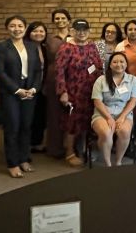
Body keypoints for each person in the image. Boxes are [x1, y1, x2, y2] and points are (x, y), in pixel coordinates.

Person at [0, 15, 42, 178]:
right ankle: (12, 163)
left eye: (20, 26)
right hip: (10, 94)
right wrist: (17, 90)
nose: (17, 29)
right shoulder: (1, 47)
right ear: (7, 29)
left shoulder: (32, 46)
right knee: (12, 127)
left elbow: (37, 70)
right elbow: (0, 72)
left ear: (25, 28)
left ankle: (24, 158)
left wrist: (34, 88)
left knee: (26, 126)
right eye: (12, 26)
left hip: (30, 93)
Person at [56, 19, 103, 167]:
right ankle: (69, 152)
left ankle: (82, 150)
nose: (81, 33)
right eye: (78, 30)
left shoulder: (92, 46)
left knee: (85, 121)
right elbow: (59, 71)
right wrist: (62, 92)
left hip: (90, 92)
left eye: (84, 30)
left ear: (89, 31)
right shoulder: (66, 48)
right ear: (72, 31)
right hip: (72, 92)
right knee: (72, 123)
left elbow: (98, 67)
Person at [91, 52, 136, 166]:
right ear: (110, 65)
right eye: (115, 62)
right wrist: (108, 118)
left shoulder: (132, 80)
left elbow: (133, 101)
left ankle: (118, 162)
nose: (118, 64)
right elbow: (97, 101)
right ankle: (108, 164)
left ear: (126, 64)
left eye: (122, 62)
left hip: (124, 114)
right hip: (103, 113)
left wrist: (122, 117)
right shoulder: (101, 80)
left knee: (125, 132)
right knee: (106, 133)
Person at [45, 8, 72, 158]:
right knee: (54, 114)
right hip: (54, 78)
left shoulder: (75, 36)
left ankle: (71, 148)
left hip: (73, 79)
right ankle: (55, 149)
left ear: (69, 20)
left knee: (70, 114)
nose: (60, 21)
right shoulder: (49, 39)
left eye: (63, 18)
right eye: (57, 18)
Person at [24, 21, 48, 153]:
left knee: (40, 116)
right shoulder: (24, 47)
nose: (38, 34)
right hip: (28, 86)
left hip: (42, 86)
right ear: (29, 33)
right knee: (28, 117)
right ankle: (25, 145)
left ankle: (37, 142)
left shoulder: (44, 48)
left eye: (41, 31)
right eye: (35, 31)